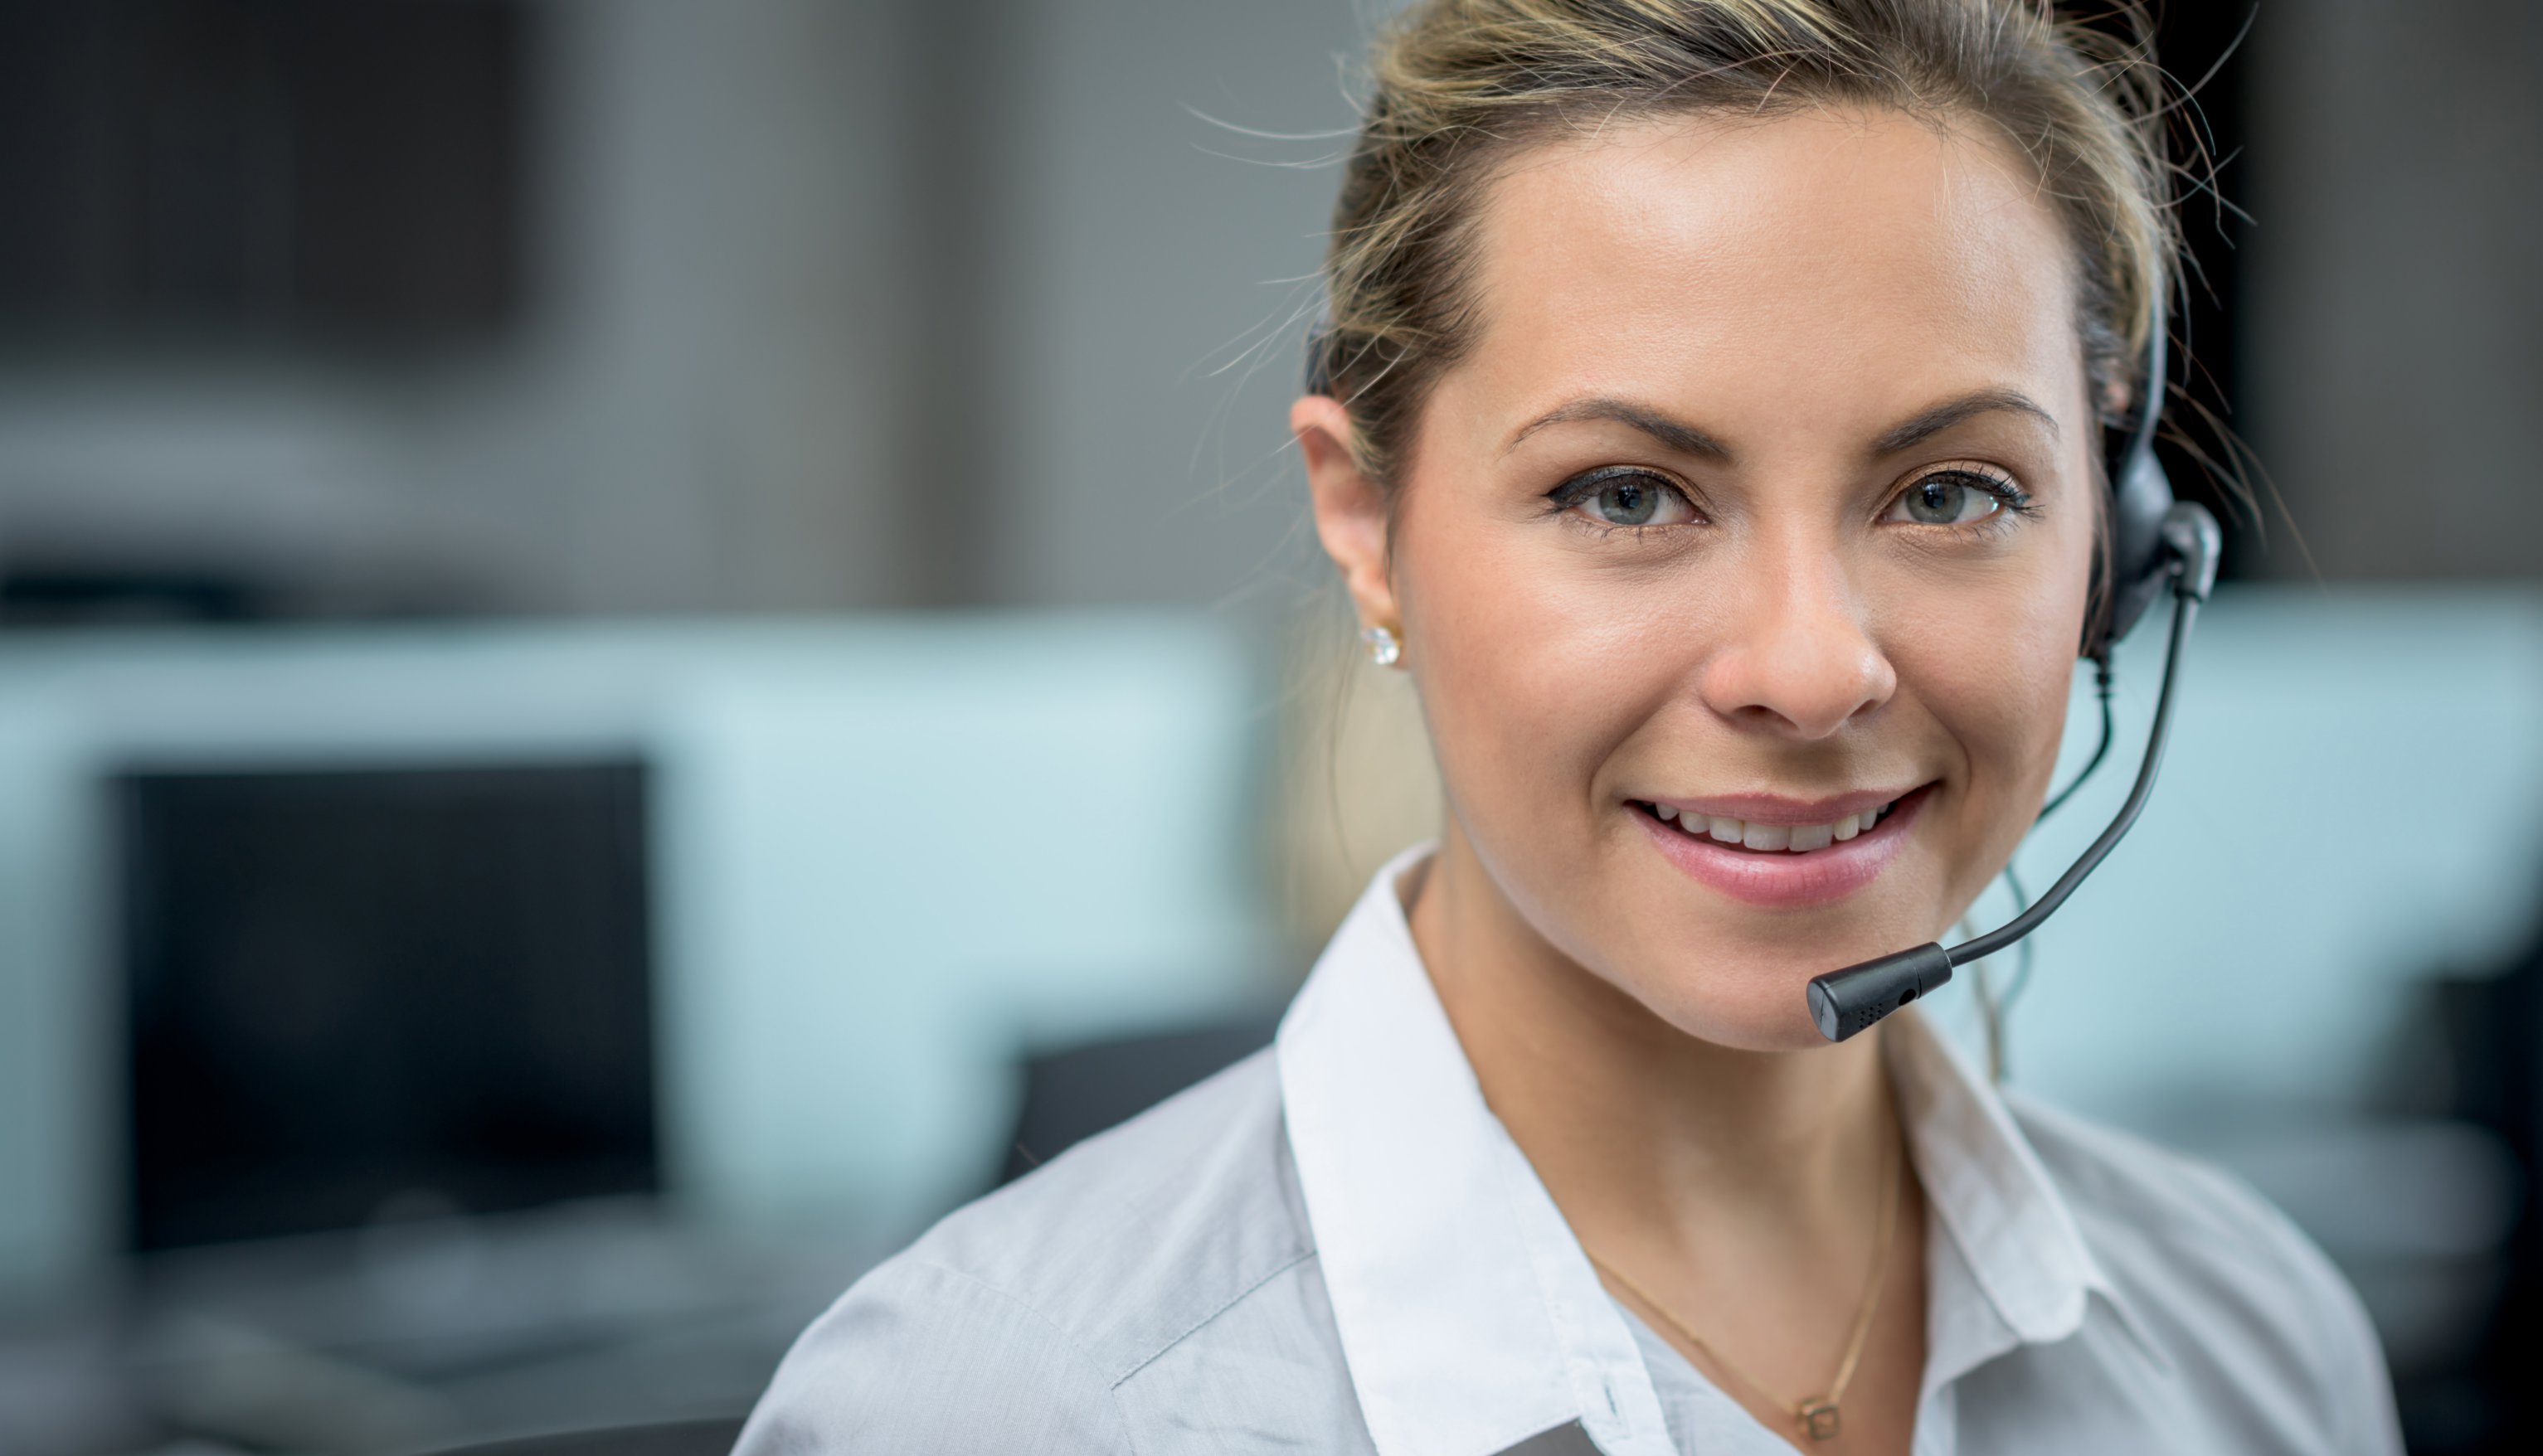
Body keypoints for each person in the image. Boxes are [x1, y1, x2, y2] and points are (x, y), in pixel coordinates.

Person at [735, 2, 2403, 1451]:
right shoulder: (1002, 1409)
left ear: (2110, 545)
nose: (1812, 669)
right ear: (1369, 520)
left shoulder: (2256, 1349)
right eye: (1629, 491)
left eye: (1951, 488)